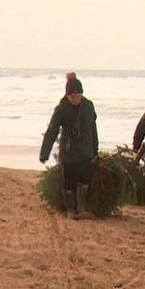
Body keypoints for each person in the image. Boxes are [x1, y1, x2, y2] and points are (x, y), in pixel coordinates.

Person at [40, 72, 99, 220]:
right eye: (72, 96)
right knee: (69, 181)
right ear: (67, 96)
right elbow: (52, 131)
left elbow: (93, 128)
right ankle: (71, 209)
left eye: (78, 95)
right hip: (68, 152)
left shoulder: (88, 106)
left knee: (85, 179)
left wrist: (95, 150)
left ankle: (82, 208)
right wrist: (44, 153)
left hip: (85, 151)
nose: (75, 98)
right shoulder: (61, 109)